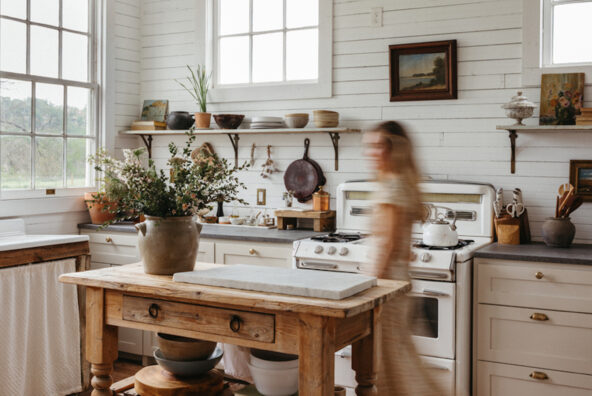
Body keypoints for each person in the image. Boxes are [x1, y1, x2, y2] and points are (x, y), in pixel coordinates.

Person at [362, 121, 443, 395]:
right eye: (368, 146)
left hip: (386, 285)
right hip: (398, 281)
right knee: (398, 361)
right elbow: (403, 248)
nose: (371, 153)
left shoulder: (391, 187)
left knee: (387, 366)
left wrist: (367, 285)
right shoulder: (402, 183)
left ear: (394, 149)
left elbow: (387, 244)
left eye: (378, 146)